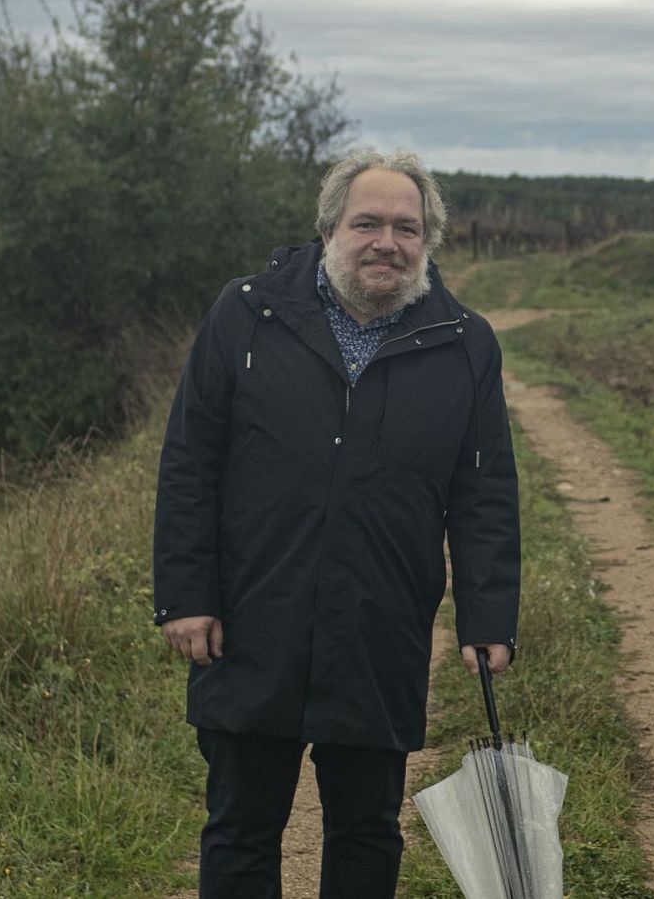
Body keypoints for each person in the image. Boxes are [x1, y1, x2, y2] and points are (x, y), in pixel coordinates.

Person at [153, 148, 519, 898]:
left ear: (428, 242)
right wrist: (187, 595)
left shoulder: (464, 342)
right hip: (253, 617)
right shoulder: (245, 314)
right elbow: (190, 460)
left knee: (365, 831)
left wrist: (488, 615)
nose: (387, 241)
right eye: (368, 223)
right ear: (328, 232)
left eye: (407, 228)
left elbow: (483, 491)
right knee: (241, 829)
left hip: (379, 623)